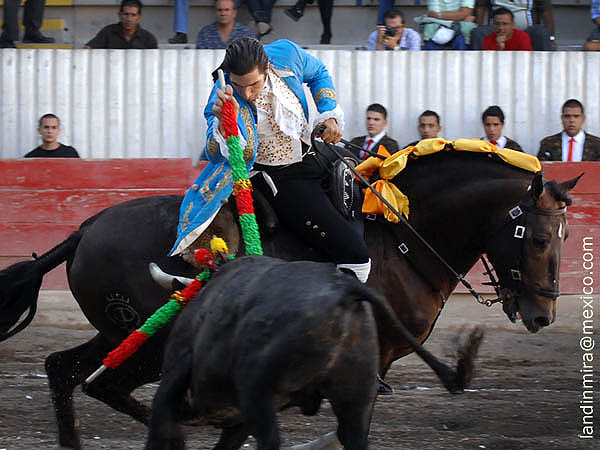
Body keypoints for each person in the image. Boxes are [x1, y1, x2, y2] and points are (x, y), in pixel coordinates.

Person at [171, 37, 372, 284]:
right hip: (280, 178)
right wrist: (225, 127)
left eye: (253, 84)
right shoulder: (222, 94)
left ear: (267, 67)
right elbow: (214, 154)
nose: (247, 93)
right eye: (239, 85)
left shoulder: (287, 54)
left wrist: (328, 113)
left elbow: (318, 72)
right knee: (357, 256)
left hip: (314, 151)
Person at [471, 0, 555, 51]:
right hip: (497, 28)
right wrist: (479, 26)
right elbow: (480, 8)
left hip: (527, 30)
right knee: (478, 33)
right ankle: (479, 71)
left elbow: (546, 12)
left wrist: (551, 39)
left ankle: (542, 72)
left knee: (541, 32)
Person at [84, 0, 157, 49]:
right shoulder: (108, 32)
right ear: (120, 15)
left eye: (133, 15)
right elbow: (87, 50)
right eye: (126, 14)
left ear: (139, 17)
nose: (129, 19)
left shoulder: (148, 38)